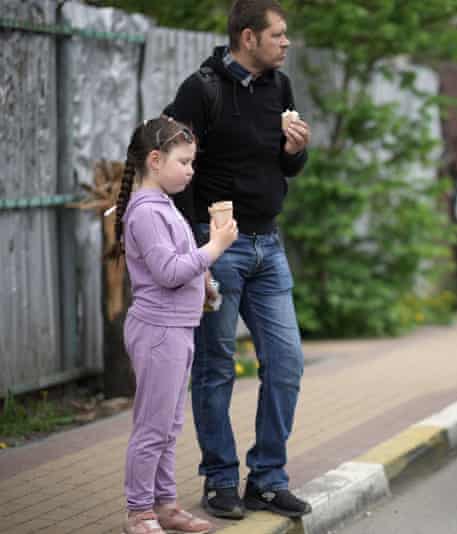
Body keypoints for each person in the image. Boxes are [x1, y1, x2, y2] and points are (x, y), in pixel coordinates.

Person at [165, 0, 313, 520]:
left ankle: (268, 480)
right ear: (248, 38)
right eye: (278, 35)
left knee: (288, 362)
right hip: (217, 244)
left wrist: (296, 150)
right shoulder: (200, 89)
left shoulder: (281, 88)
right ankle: (221, 480)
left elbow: (286, 167)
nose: (286, 42)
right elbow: (172, 171)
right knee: (215, 368)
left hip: (268, 246)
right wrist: (194, 253)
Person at [111, 116, 239, 534]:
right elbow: (167, 271)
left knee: (169, 424)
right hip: (158, 331)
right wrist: (215, 247)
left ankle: (165, 504)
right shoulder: (146, 212)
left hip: (178, 329)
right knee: (152, 426)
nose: (191, 170)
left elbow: (182, 265)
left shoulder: (166, 205)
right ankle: (139, 511)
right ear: (154, 159)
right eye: (184, 162)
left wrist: (207, 285)